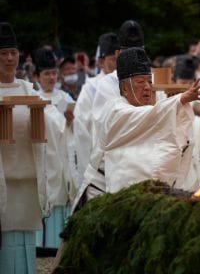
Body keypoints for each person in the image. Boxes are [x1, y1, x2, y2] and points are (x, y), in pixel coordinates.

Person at [73, 48, 200, 209]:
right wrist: (180, 99)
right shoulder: (116, 111)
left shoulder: (150, 110)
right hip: (105, 194)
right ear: (124, 88)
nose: (147, 87)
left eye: (149, 82)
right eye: (140, 82)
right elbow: (149, 116)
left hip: (143, 197)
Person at [0, 22, 62, 273]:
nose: (9, 58)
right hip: (2, 178)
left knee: (24, 244)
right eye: (3, 53)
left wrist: (42, 114)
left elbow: (56, 123)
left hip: (26, 181)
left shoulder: (29, 90)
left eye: (13, 53)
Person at [34, 48, 76, 249]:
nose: (51, 77)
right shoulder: (32, 99)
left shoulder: (65, 98)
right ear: (36, 77)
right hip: (43, 157)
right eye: (46, 74)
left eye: (53, 73)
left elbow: (77, 130)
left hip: (62, 158)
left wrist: (71, 123)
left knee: (61, 195)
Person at [73, 33, 119, 187]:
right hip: (98, 158)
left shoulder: (126, 84)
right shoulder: (91, 87)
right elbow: (81, 126)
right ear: (101, 62)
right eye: (113, 59)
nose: (117, 64)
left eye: (120, 59)